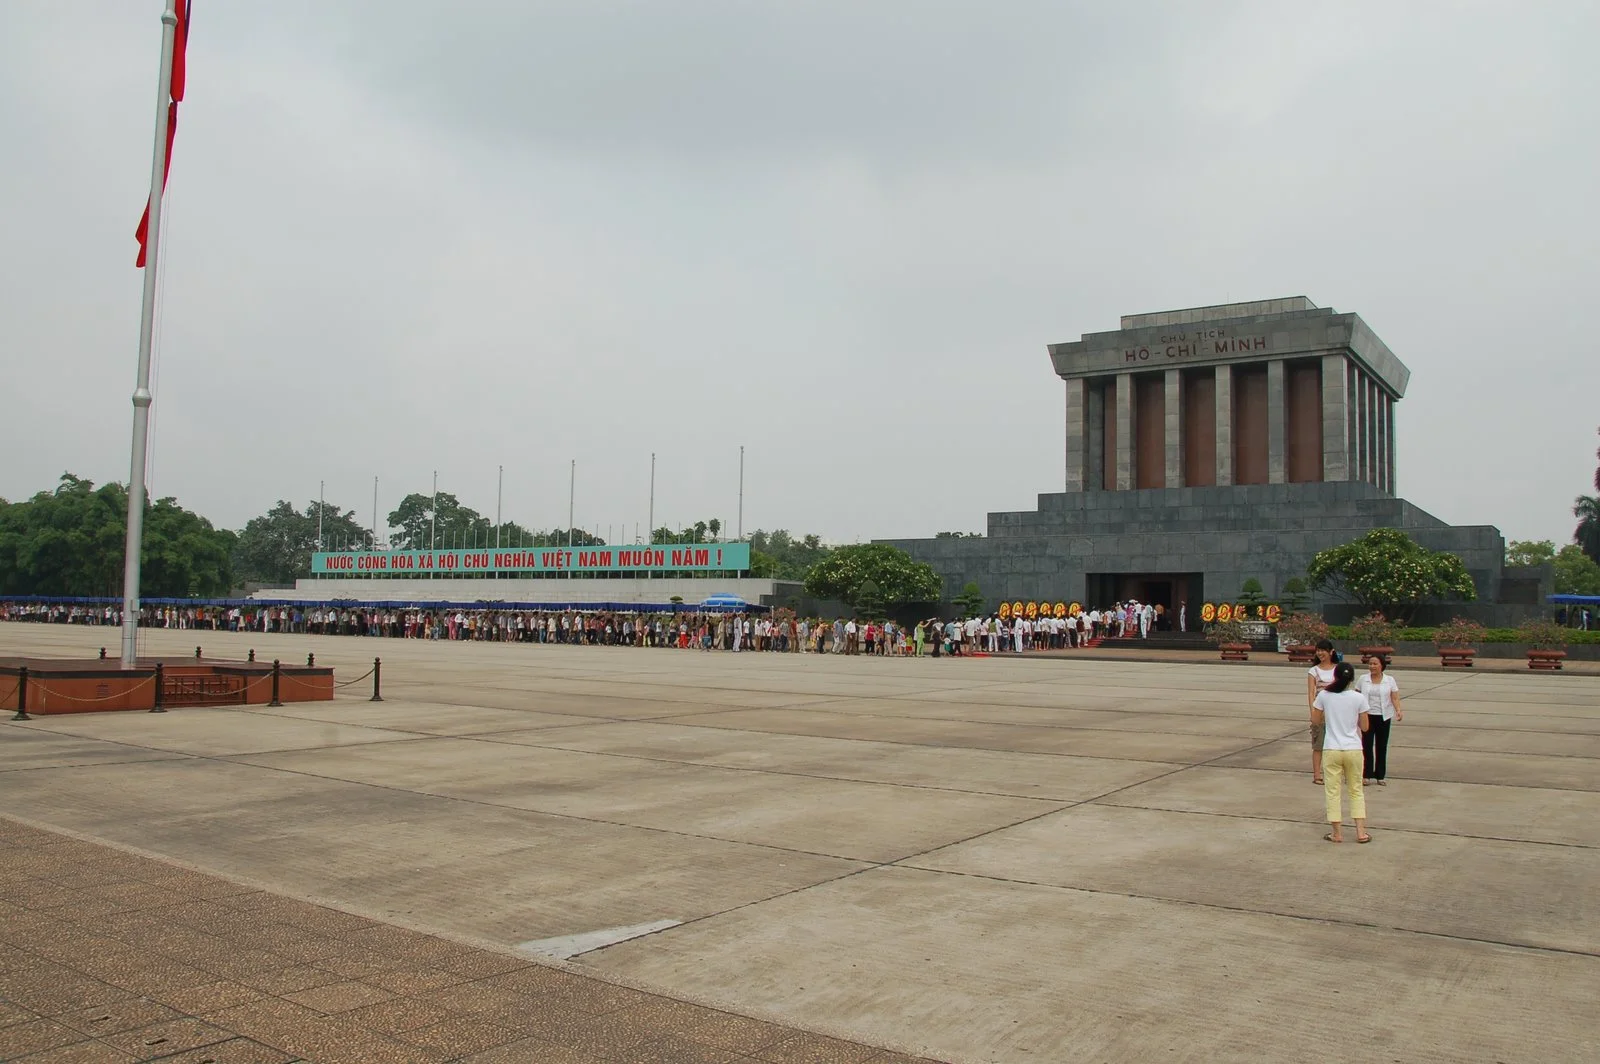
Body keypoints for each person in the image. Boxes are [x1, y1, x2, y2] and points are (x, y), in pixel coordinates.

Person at [1312, 661, 1371, 843]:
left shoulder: (1324, 695)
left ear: (1335, 676)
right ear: (1352, 678)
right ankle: (1361, 832)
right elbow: (1365, 727)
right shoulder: (1358, 698)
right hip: (1353, 748)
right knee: (1356, 790)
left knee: (1333, 790)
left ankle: (1337, 833)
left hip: (1332, 747)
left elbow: (1315, 720)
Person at [1356, 655, 1402, 785]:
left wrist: (1398, 710)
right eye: (1370, 664)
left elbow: (1394, 697)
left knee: (1381, 746)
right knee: (1367, 745)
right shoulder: (1363, 679)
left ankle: (1380, 775)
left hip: (1384, 716)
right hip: (1367, 716)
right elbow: (1356, 696)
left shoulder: (1390, 680)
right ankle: (1366, 774)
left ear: (1382, 665)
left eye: (1375, 664)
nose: (1372, 666)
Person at [1306, 639, 1337, 785]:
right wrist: (1313, 713)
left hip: (1336, 714)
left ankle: (1334, 773)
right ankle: (1317, 775)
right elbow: (1311, 693)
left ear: (1331, 652)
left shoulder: (1338, 669)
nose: (1320, 653)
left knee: (1336, 745)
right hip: (1321, 713)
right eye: (1318, 650)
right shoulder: (1314, 671)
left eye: (1323, 650)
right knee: (1318, 745)